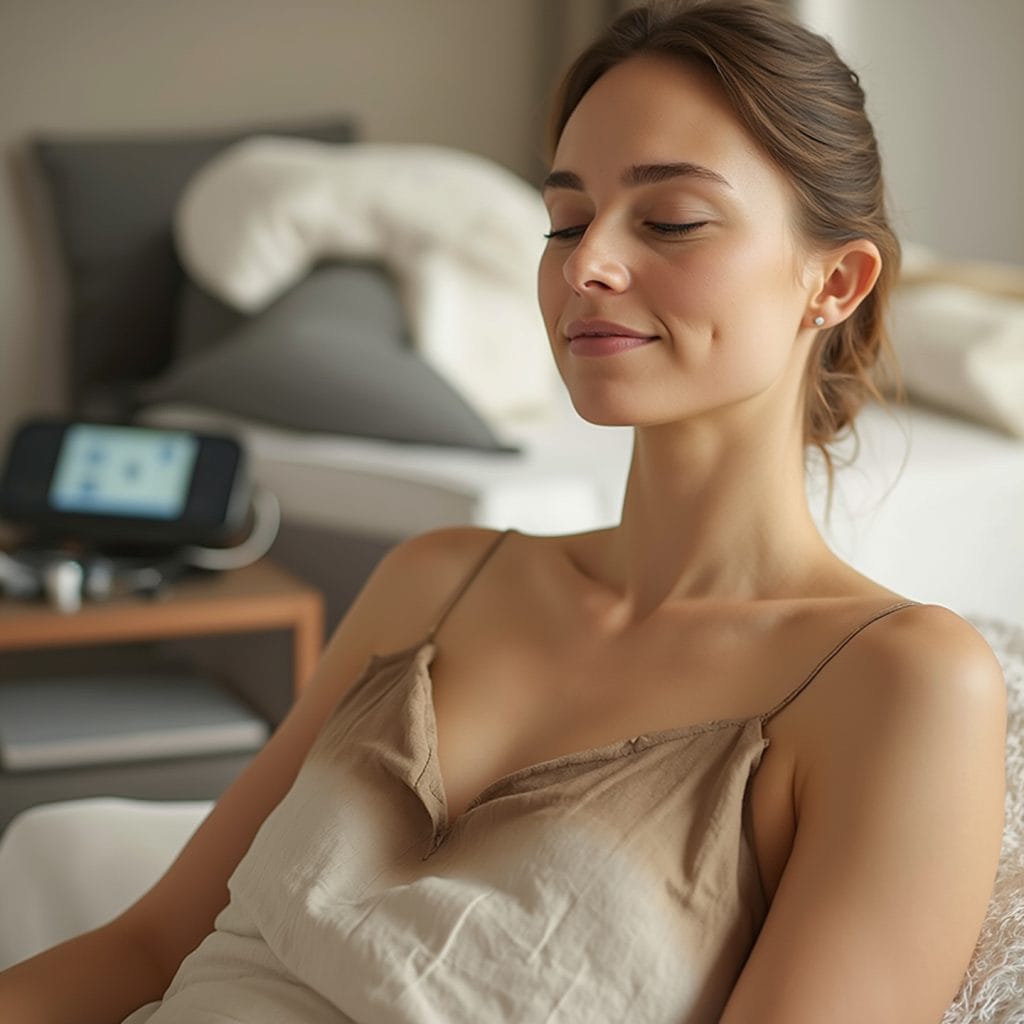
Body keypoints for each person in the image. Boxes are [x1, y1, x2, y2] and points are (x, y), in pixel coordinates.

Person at [0, 1, 1006, 1022]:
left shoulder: (900, 685)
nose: (585, 266)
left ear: (833, 280)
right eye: (565, 221)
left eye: (668, 222)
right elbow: (147, 944)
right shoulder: (437, 579)